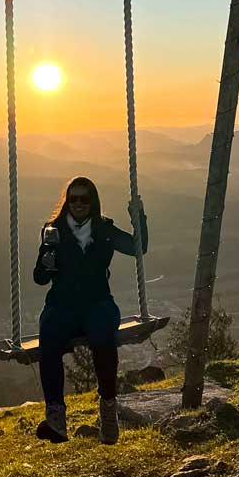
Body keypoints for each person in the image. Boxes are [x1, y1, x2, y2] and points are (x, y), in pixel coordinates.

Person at [32, 176, 148, 445]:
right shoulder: (53, 231)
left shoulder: (104, 230)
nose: (79, 203)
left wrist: (138, 216)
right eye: (74, 199)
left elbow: (138, 247)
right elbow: (39, 278)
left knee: (103, 338)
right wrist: (46, 265)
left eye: (85, 198)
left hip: (98, 301)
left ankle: (108, 412)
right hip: (62, 304)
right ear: (67, 202)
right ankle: (56, 418)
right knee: (48, 337)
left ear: (93, 201)